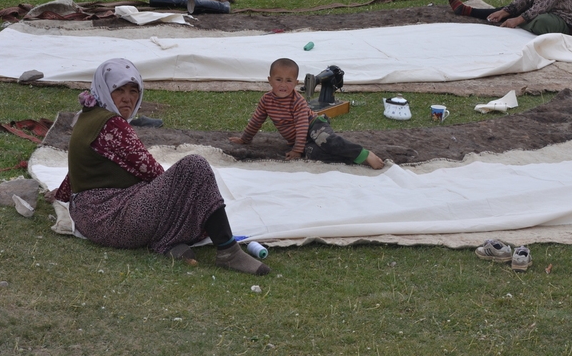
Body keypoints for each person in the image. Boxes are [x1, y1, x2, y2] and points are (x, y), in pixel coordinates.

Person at [50, 58, 269, 275]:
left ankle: (167, 243)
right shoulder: (112, 124)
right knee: (195, 166)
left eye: (133, 91)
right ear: (105, 89)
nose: (128, 99)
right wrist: (181, 193)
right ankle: (228, 251)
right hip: (110, 220)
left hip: (89, 216)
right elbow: (151, 171)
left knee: (185, 195)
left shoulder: (88, 117)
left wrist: (61, 194)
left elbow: (82, 163)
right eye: (119, 91)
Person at [229, 58, 385, 169]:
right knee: (315, 154)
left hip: (313, 126)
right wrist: (245, 139)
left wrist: (297, 150)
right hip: (300, 140)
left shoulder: (297, 101)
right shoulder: (266, 100)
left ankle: (364, 154)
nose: (283, 85)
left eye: (289, 81)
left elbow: (302, 125)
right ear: (269, 80)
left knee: (327, 141)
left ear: (296, 83)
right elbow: (256, 120)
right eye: (279, 80)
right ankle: (351, 160)